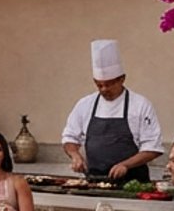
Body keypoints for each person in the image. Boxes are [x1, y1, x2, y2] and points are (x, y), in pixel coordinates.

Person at [62, 38, 163, 181]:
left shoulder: (140, 105)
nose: (104, 89)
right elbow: (69, 137)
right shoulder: (85, 104)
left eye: (108, 84)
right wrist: (75, 155)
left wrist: (126, 165)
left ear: (122, 79)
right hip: (94, 180)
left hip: (133, 181)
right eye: (99, 85)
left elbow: (153, 147)